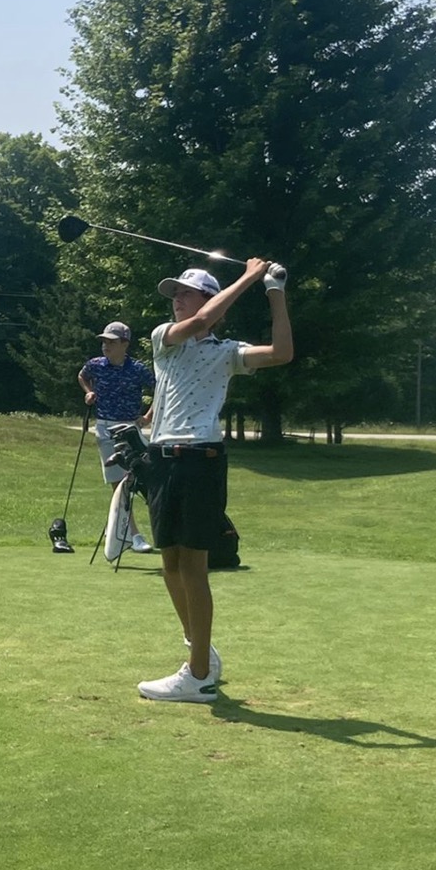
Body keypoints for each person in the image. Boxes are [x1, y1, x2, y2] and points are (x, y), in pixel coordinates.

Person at [135, 259, 292, 703]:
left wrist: (274, 290)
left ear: (209, 298)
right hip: (161, 458)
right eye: (175, 294)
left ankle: (199, 674)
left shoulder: (227, 352)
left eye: (185, 292)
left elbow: (282, 353)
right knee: (169, 565)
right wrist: (248, 275)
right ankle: (198, 650)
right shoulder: (164, 338)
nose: (176, 299)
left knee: (193, 566)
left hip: (201, 460)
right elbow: (200, 322)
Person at [77, 321, 154, 552]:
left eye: (111, 342)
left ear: (124, 344)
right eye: (104, 341)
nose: (105, 346)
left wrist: (148, 417)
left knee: (138, 480)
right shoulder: (96, 365)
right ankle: (133, 535)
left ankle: (122, 529)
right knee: (119, 484)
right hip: (105, 428)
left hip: (130, 428)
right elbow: (82, 376)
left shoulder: (137, 369)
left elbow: (160, 389)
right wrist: (89, 392)